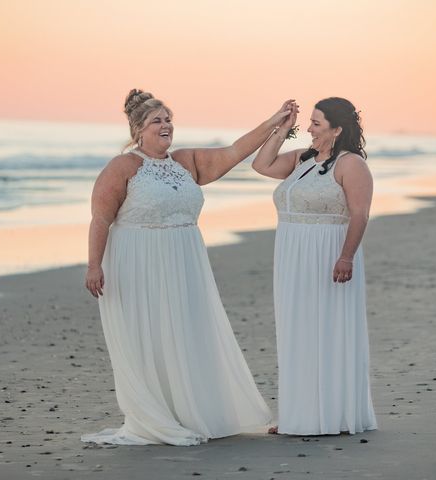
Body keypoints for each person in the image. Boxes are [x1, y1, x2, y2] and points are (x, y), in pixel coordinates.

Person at [81, 89, 292, 446]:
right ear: (138, 131)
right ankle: (159, 416)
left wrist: (274, 122)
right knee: (151, 336)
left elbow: (235, 151)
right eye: (156, 121)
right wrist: (93, 265)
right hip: (138, 262)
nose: (166, 126)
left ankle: (192, 411)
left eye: (168, 120)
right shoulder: (123, 167)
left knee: (186, 332)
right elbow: (101, 218)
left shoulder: (185, 162)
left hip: (185, 261)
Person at [252, 97, 377, 435]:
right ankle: (299, 413)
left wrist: (346, 256)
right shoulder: (301, 159)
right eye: (308, 122)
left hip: (328, 254)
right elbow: (261, 165)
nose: (308, 128)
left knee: (325, 330)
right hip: (292, 255)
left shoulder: (351, 165)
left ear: (337, 129)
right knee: (297, 331)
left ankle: (330, 413)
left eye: (316, 123)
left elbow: (360, 214)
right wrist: (282, 127)